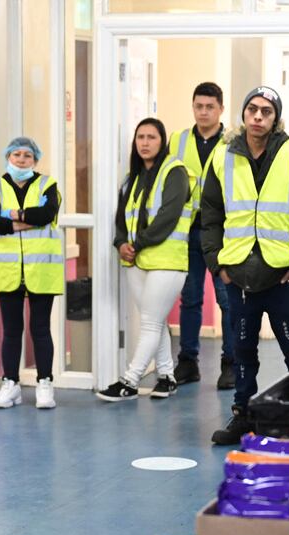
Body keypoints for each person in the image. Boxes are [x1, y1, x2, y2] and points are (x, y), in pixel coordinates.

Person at [200, 86, 289, 445]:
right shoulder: (222, 158)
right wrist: (215, 263)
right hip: (237, 274)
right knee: (241, 352)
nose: (257, 117)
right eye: (252, 109)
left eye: (266, 111)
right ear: (243, 113)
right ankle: (243, 415)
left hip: (282, 275)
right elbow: (210, 216)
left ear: (276, 118)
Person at [97, 118, 192, 402]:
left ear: (162, 141)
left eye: (152, 137)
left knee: (150, 322)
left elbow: (168, 216)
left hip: (167, 260)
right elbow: (120, 219)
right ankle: (166, 376)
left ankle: (130, 380)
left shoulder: (175, 171)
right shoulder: (132, 179)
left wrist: (135, 244)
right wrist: (120, 243)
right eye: (141, 137)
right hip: (137, 261)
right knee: (157, 320)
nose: (145, 143)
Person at [0, 136, 63, 409]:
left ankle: (45, 383)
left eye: (27, 155)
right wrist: (29, 217)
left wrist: (12, 215)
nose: (21, 159)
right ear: (8, 157)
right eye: (16, 154)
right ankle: (10, 384)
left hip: (41, 269)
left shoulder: (47, 185)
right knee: (12, 330)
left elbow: (48, 214)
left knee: (40, 329)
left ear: (35, 159)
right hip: (7, 271)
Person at [171, 82, 235, 391]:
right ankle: (188, 362)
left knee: (228, 300)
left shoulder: (234, 142)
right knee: (191, 299)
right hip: (187, 232)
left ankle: (231, 363)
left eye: (210, 106)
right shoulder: (178, 141)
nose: (204, 112)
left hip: (222, 234)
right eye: (199, 106)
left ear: (221, 108)